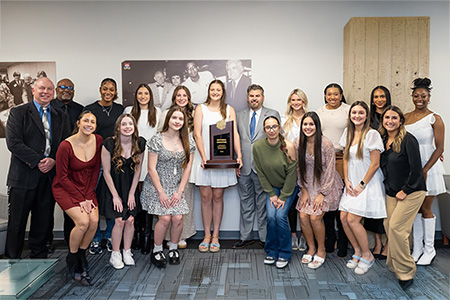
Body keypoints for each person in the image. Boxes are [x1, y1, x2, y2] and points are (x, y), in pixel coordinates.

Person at [5, 77, 70, 259]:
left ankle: (39, 258)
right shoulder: (19, 113)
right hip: (24, 176)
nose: (45, 92)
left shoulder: (60, 115)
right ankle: (12, 259)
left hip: (49, 176)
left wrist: (53, 161)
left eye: (49, 89)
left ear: (53, 92)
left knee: (43, 220)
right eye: (42, 88)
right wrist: (40, 160)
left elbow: (65, 144)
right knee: (17, 222)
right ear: (33, 90)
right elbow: (14, 143)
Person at [190, 79, 242, 253]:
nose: (215, 92)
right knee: (205, 198)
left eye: (218, 89)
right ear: (208, 91)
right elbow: (197, 134)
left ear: (222, 92)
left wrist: (239, 155)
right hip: (204, 160)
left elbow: (233, 133)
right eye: (212, 89)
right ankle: (206, 235)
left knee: (218, 197)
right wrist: (205, 158)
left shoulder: (228, 110)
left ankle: (216, 236)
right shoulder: (200, 109)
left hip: (222, 162)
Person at [52, 111, 102, 285]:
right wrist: (81, 198)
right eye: (86, 120)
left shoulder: (98, 140)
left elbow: (96, 170)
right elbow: (62, 176)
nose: (89, 124)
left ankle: (82, 255)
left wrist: (88, 195)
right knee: (82, 222)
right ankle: (72, 259)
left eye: (93, 122)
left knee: (94, 221)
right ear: (78, 123)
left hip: (87, 188)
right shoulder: (66, 145)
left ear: (96, 126)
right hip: (65, 188)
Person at [141, 107, 195, 268]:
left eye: (180, 119)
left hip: (176, 186)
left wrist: (180, 192)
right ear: (168, 120)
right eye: (174, 118)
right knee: (164, 218)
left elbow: (187, 169)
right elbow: (151, 168)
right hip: (157, 184)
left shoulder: (188, 141)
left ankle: (173, 247)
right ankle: (157, 250)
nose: (177, 121)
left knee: (178, 218)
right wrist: (161, 193)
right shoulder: (157, 140)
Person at [379, 105, 426, 290]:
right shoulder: (382, 140)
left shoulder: (408, 140)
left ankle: (406, 272)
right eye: (386, 118)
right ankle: (394, 264)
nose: (390, 121)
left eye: (394, 118)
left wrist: (405, 190)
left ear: (400, 121)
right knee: (387, 225)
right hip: (392, 192)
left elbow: (417, 170)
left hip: (412, 191)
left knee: (397, 228)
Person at [339, 101, 387, 275]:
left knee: (352, 219)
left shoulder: (372, 134)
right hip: (352, 182)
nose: (357, 116)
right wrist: (347, 180)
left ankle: (368, 256)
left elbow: (375, 164)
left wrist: (361, 185)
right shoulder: (348, 133)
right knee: (343, 218)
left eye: (360, 113)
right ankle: (358, 252)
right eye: (354, 113)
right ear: (350, 115)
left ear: (366, 115)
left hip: (368, 183)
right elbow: (345, 159)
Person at [233, 84, 280, 249]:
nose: (254, 98)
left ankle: (264, 237)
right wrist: (235, 162)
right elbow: (234, 140)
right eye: (251, 96)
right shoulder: (239, 115)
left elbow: (276, 142)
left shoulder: (273, 114)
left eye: (257, 96)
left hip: (263, 169)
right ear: (247, 98)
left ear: (263, 97)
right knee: (245, 203)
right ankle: (245, 237)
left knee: (263, 205)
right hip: (243, 166)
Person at [405, 78, 446, 266]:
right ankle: (417, 249)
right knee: (414, 209)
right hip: (411, 167)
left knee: (426, 208)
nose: (419, 99)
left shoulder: (435, 119)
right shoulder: (405, 117)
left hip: (429, 166)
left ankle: (430, 250)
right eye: (416, 96)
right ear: (412, 97)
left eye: (423, 96)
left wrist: (426, 169)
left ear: (429, 98)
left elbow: (439, 148)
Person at [296, 112, 343, 269]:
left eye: (311, 124)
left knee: (315, 218)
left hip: (326, 184)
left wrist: (322, 193)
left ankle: (321, 250)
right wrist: (303, 190)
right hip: (308, 184)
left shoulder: (326, 144)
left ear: (317, 126)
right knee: (303, 216)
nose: (308, 127)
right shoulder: (298, 143)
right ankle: (311, 248)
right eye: (305, 124)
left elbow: (330, 170)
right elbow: (298, 168)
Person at [97, 114, 145, 269]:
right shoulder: (108, 144)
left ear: (134, 127)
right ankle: (115, 254)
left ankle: (127, 251)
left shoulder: (140, 143)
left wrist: (132, 193)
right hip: (113, 187)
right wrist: (115, 196)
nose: (127, 127)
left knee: (130, 220)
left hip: (130, 186)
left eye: (130, 124)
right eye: (124, 124)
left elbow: (138, 171)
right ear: (118, 127)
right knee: (119, 221)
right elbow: (106, 172)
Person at [84, 78, 124, 254]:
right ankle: (94, 238)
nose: (108, 92)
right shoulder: (90, 110)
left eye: (112, 89)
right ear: (100, 89)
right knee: (92, 197)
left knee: (111, 198)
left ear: (116, 92)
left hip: (114, 160)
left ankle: (109, 236)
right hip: (94, 160)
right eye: (105, 88)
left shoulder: (120, 110)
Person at [253, 116, 297, 269]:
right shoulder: (258, 147)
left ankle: (285, 252)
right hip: (272, 188)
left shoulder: (289, 146)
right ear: (264, 130)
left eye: (274, 127)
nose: (271, 130)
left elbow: (292, 175)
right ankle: (271, 250)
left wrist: (283, 197)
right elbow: (260, 173)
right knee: (271, 216)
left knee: (280, 216)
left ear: (279, 128)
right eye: (268, 127)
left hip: (288, 187)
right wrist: (272, 194)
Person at [124, 84, 160, 254]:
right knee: (135, 197)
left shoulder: (158, 112)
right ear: (136, 95)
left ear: (150, 95)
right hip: (134, 158)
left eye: (146, 93)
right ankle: (136, 234)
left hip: (151, 159)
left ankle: (147, 236)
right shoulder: (129, 110)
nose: (143, 96)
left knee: (147, 197)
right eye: (140, 93)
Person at [49, 78, 85, 251]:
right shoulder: (48, 107)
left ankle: (71, 242)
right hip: (51, 162)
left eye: (70, 88)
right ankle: (46, 242)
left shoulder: (79, 110)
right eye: (63, 87)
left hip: (74, 165)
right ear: (56, 89)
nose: (67, 90)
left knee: (71, 206)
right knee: (46, 205)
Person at [160, 86, 196, 249]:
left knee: (184, 199)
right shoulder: (165, 114)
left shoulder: (194, 114)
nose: (182, 98)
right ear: (174, 97)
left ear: (189, 98)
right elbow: (160, 135)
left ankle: (183, 235)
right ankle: (167, 237)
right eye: (178, 95)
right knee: (167, 201)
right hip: (168, 163)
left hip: (186, 161)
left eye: (185, 95)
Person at [316, 83, 349, 257]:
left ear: (341, 95)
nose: (332, 97)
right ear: (325, 96)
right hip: (325, 160)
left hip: (343, 158)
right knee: (328, 203)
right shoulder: (319, 112)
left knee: (342, 204)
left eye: (336, 94)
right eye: (329, 94)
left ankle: (343, 241)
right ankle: (330, 239)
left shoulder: (348, 110)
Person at [365, 86, 392, 260]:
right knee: (373, 206)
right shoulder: (368, 119)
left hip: (390, 166)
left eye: (382, 96)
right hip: (372, 167)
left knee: (388, 207)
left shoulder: (392, 115)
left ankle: (389, 243)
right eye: (376, 96)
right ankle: (378, 243)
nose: (379, 99)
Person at [282, 88, 308, 251]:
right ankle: (292, 236)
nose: (296, 103)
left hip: (308, 165)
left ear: (304, 101)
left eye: (299, 100)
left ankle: (305, 236)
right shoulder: (285, 119)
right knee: (291, 203)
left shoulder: (310, 118)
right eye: (293, 100)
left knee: (305, 202)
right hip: (290, 164)